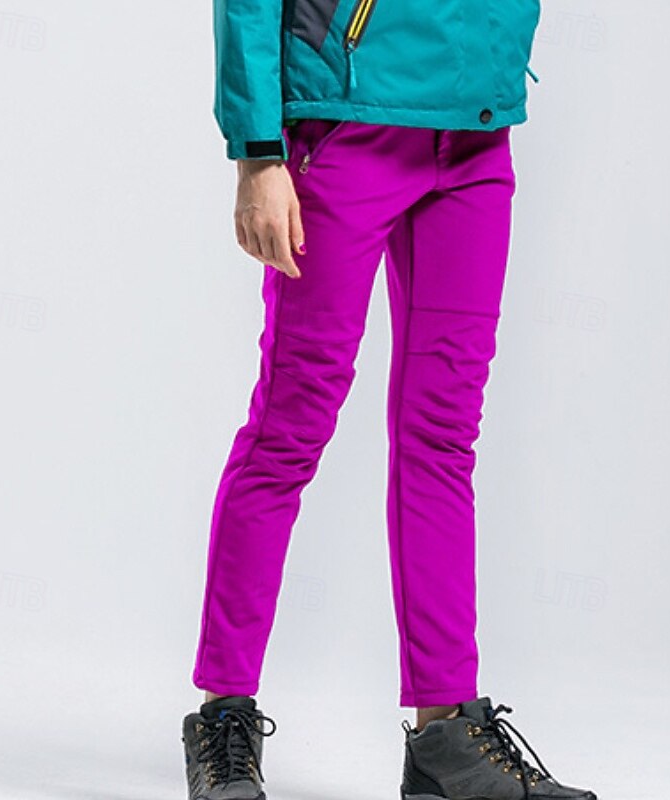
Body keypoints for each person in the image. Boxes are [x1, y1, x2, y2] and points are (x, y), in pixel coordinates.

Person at [181, 2, 598, 799]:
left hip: (475, 133)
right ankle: (224, 712)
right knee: (290, 427)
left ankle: (446, 733)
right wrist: (258, 151)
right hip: (345, 121)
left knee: (443, 436)